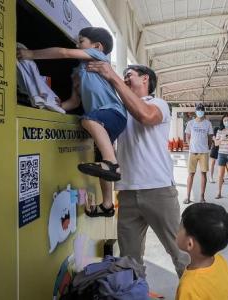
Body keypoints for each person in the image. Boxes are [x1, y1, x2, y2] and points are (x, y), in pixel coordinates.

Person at [86, 62, 189, 276]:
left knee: (179, 252)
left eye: (129, 74)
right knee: (128, 261)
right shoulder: (118, 109)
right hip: (127, 192)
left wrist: (112, 77)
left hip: (158, 190)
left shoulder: (157, 103)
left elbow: (146, 117)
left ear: (145, 79)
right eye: (122, 74)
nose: (124, 77)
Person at [17, 27, 127, 218]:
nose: (76, 45)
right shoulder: (78, 73)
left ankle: (112, 164)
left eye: (81, 41)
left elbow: (64, 52)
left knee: (88, 119)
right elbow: (75, 102)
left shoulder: (97, 58)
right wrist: (56, 106)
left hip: (113, 113)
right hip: (103, 121)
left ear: (97, 46)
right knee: (102, 157)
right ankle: (107, 205)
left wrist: (30, 54)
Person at [175, 203, 228, 300]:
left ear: (189, 244)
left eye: (180, 227)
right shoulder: (220, 260)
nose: (177, 230)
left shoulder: (188, 288)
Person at [184, 104, 214, 204]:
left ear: (204, 111)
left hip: (204, 153)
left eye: (201, 110)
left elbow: (210, 137)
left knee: (203, 174)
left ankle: (202, 197)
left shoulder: (208, 123)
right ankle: (187, 197)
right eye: (198, 110)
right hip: (192, 152)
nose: (200, 111)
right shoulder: (190, 123)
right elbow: (187, 136)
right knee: (191, 174)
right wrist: (190, 145)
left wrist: (208, 147)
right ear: (196, 111)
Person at [214, 114, 228, 199]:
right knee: (220, 175)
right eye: (224, 120)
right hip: (222, 154)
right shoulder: (220, 131)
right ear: (222, 122)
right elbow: (216, 143)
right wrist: (221, 138)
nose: (226, 122)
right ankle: (219, 193)